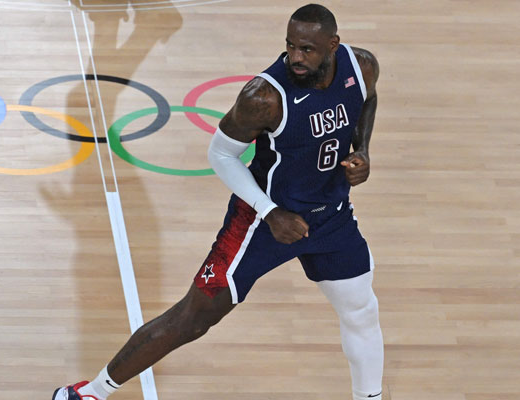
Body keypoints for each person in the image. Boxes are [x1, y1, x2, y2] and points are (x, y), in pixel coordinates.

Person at [53, 4, 383, 400]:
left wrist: (361, 149)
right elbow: (221, 156)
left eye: (307, 50)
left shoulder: (360, 67)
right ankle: (90, 392)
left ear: (333, 45)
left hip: (331, 217)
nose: (296, 57)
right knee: (194, 317)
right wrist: (269, 211)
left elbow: (367, 100)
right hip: (262, 221)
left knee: (361, 311)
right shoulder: (264, 97)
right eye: (290, 46)